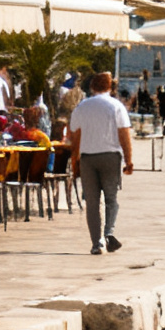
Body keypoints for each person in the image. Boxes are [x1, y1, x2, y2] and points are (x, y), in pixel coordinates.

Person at [66, 70, 135, 254]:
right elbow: (124, 134)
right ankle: (108, 233)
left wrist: (75, 161)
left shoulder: (82, 107)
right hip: (111, 157)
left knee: (92, 202)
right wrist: (129, 160)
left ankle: (97, 242)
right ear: (110, 87)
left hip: (88, 158)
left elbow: (76, 136)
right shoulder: (116, 106)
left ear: (92, 87)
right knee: (111, 199)